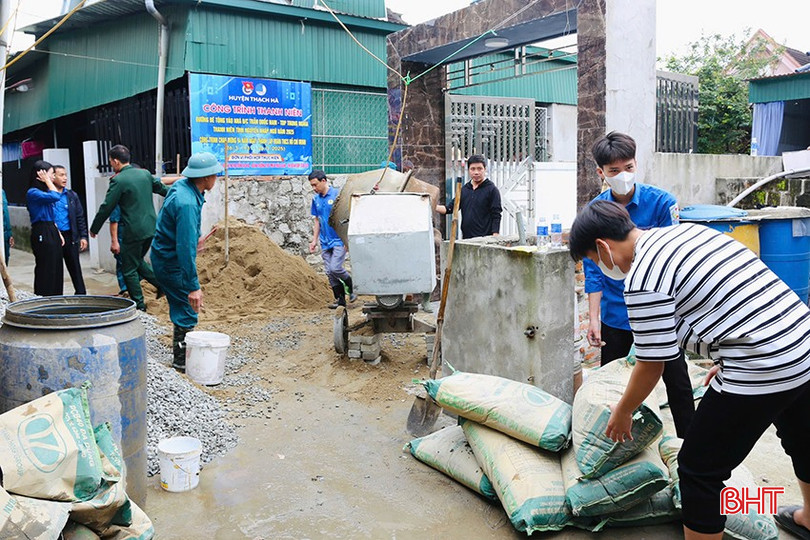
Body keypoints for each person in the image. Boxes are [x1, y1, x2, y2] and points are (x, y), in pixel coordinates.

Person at [569, 200, 810, 540]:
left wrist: (624, 410)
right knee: (802, 437)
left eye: (594, 261)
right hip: (802, 344)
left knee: (698, 471)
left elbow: (652, 363)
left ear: (602, 247)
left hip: (760, 363)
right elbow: (734, 298)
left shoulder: (643, 278)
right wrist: (726, 359)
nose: (602, 266)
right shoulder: (687, 234)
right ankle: (809, 518)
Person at [582, 131, 694, 437]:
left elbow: (672, 259)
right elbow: (593, 271)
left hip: (659, 310)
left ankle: (688, 442)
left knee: (677, 381)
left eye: (628, 167)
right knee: (613, 384)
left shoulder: (662, 203)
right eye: (614, 171)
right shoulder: (595, 212)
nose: (623, 176)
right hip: (617, 313)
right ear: (600, 173)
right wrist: (595, 319)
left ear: (636, 163)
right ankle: (615, 443)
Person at [151, 152, 223, 372]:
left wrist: (194, 238)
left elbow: (183, 235)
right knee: (187, 308)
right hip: (171, 261)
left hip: (164, 255)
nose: (216, 178)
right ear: (206, 177)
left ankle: (182, 356)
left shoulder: (183, 188)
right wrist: (193, 286)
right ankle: (181, 361)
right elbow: (183, 249)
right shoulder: (187, 203)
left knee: (182, 306)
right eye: (214, 175)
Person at [89, 145, 168, 311]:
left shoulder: (119, 180)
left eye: (111, 162)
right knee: (136, 260)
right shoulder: (145, 173)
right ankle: (161, 285)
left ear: (116, 161)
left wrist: (94, 228)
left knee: (128, 268)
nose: (111, 165)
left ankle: (139, 306)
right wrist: (181, 193)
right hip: (151, 227)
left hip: (134, 230)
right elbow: (162, 189)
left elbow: (106, 207)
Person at [308, 170, 356, 309]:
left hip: (338, 239)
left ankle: (350, 285)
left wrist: (346, 239)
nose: (314, 188)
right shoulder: (315, 199)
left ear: (323, 181)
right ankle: (340, 300)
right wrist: (314, 240)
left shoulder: (337, 196)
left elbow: (347, 217)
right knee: (329, 272)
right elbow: (317, 220)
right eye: (312, 186)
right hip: (325, 240)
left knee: (335, 268)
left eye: (315, 185)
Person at [436, 154, 502, 239]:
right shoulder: (464, 190)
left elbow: (496, 214)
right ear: (468, 170)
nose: (476, 172)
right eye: (473, 169)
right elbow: (449, 209)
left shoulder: (492, 190)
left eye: (479, 169)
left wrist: (495, 235)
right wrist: (431, 205)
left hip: (485, 239)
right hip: (467, 239)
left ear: (485, 169)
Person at [26, 160, 64, 295]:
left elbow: (51, 213)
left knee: (56, 265)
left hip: (51, 228)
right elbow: (56, 196)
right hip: (41, 230)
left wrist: (57, 232)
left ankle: (56, 297)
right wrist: (48, 181)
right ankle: (44, 297)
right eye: (50, 174)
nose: (53, 177)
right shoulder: (33, 192)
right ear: (40, 176)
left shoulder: (45, 192)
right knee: (46, 266)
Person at [52, 165, 88, 295]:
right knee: (56, 269)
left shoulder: (71, 196)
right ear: (53, 176)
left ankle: (81, 294)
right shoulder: (48, 196)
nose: (65, 178)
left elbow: (79, 217)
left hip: (70, 236)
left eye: (65, 175)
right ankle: (56, 296)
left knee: (75, 267)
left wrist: (83, 236)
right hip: (54, 236)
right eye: (61, 175)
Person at [109, 205, 128, 297]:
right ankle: (125, 289)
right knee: (123, 263)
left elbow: (114, 220)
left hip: (127, 236)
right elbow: (114, 221)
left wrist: (114, 241)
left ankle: (127, 289)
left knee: (125, 265)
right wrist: (115, 241)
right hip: (125, 236)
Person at [2, 189, 14, 263]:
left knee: (4, 262)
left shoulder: (2, 192)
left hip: (4, 234)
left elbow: (6, 214)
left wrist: (9, 234)